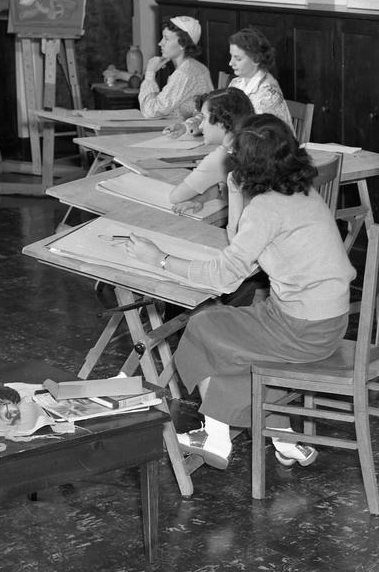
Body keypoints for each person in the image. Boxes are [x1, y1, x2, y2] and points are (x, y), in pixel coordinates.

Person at [121, 114, 355, 470]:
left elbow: (225, 278)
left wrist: (161, 259)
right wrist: (234, 188)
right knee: (236, 340)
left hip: (302, 328)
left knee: (204, 326)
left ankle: (214, 433)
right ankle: (283, 435)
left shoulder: (266, 207)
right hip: (327, 320)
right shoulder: (302, 191)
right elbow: (241, 241)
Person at [166, 87, 254, 218]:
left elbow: (175, 197)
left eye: (204, 118)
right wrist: (202, 198)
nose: (200, 126)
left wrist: (205, 186)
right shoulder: (249, 144)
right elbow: (225, 189)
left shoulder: (222, 157)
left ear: (222, 123)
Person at [137, 16, 214, 119]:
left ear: (183, 44)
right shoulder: (198, 67)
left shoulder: (183, 74)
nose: (160, 43)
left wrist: (150, 73)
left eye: (166, 38)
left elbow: (151, 112)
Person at [225, 27, 293, 128]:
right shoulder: (236, 83)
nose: (231, 63)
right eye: (231, 56)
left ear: (256, 59)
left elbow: (264, 135)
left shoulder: (268, 93)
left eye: (238, 59)